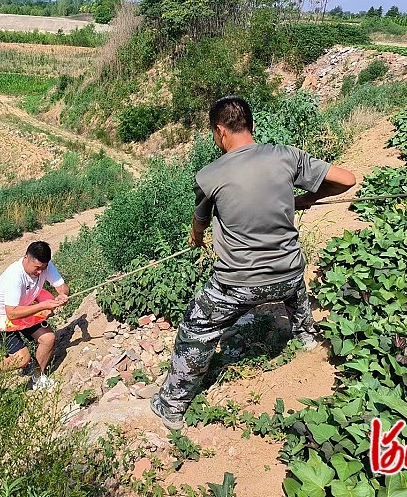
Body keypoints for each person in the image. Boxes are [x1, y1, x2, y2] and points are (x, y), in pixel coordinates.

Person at [150, 96, 357, 430]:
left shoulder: (209, 176)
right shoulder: (286, 155)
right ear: (251, 125)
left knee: (196, 328)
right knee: (293, 284)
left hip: (239, 284)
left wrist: (196, 238)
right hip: (288, 274)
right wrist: (305, 198)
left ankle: (171, 406)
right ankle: (306, 337)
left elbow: (199, 221)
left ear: (220, 131)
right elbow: (347, 180)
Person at [0, 240, 70, 390]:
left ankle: (38, 377)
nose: (40, 272)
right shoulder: (15, 276)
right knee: (22, 359)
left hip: (23, 308)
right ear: (26, 258)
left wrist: (63, 294)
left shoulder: (45, 266)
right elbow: (12, 313)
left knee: (48, 338)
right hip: (1, 316)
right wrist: (43, 306)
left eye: (43, 268)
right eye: (37, 268)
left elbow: (62, 286)